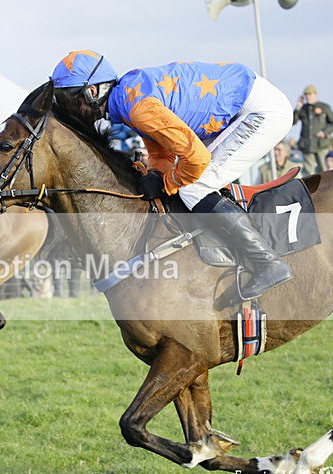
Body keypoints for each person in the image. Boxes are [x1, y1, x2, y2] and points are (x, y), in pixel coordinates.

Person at [50, 50, 293, 300]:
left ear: (92, 92)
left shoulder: (136, 107)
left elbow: (196, 159)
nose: (72, 110)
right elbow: (162, 149)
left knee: (194, 187)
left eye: (71, 101)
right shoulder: (127, 97)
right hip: (245, 102)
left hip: (261, 112)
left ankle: (268, 263)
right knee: (189, 182)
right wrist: (157, 172)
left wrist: (167, 183)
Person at [293, 84, 333, 175]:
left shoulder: (324, 107)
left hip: (321, 144)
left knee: (324, 170)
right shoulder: (303, 109)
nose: (307, 97)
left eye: (310, 94)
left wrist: (324, 132)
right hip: (307, 145)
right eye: (306, 95)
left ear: (315, 94)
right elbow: (293, 121)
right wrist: (297, 108)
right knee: (309, 173)